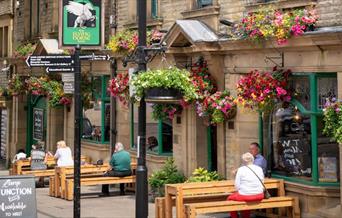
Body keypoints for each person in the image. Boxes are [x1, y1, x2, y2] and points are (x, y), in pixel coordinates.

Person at [228, 152, 265, 218]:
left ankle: (234, 217)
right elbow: (262, 182)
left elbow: (237, 186)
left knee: (230, 198)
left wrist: (240, 190)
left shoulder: (241, 169)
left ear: (243, 161)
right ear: (253, 159)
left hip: (246, 196)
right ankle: (245, 216)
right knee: (246, 199)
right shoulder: (259, 169)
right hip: (260, 195)